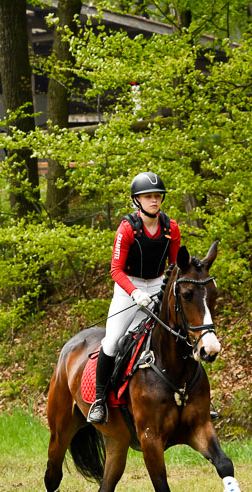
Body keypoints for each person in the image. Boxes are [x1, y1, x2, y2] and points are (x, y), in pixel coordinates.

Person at [87, 172, 181, 424]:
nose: (154, 200)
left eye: (157, 196)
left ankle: (192, 396)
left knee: (179, 336)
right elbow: (115, 269)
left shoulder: (171, 228)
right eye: (148, 196)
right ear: (137, 201)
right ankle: (99, 401)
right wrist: (135, 292)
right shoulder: (127, 228)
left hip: (159, 285)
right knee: (114, 341)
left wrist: (167, 291)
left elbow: (175, 267)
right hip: (129, 288)